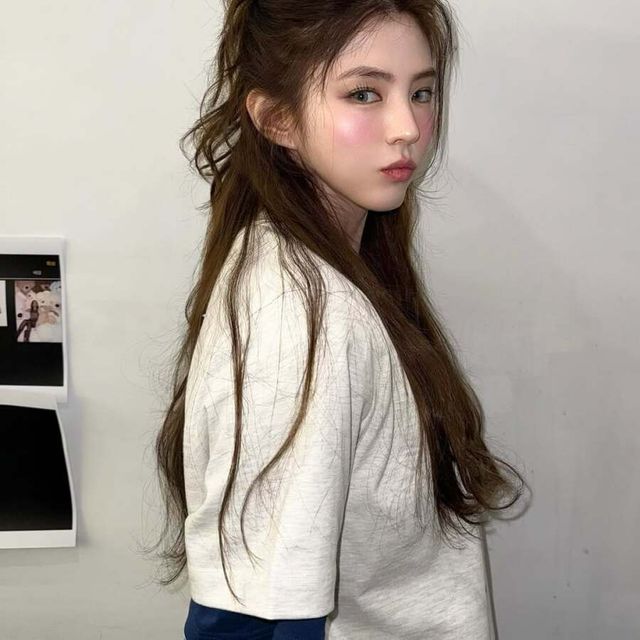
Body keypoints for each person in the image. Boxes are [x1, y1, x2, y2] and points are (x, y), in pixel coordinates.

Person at [152, 1, 525, 638]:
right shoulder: (301, 314)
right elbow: (254, 614)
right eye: (363, 94)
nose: (407, 127)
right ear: (277, 119)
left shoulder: (335, 264)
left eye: (422, 91)